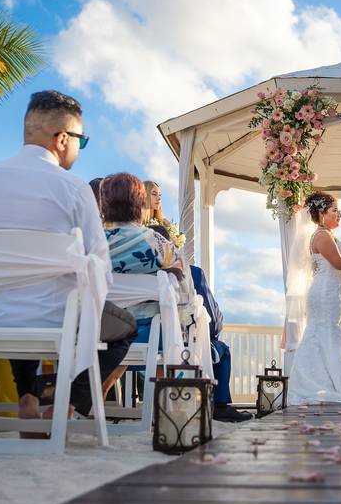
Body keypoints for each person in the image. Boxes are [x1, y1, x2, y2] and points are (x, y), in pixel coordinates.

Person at [0, 90, 133, 424]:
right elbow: (101, 270)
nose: (80, 146)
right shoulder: (73, 188)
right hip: (59, 322)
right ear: (63, 138)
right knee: (125, 327)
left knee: (19, 301)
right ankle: (67, 404)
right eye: (82, 139)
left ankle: (28, 397)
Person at [100, 173, 248, 421]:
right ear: (139, 204)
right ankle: (174, 411)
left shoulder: (93, 243)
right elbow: (186, 298)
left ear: (105, 204)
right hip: (152, 340)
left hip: (99, 335)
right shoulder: (159, 244)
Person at [288, 191, 341, 404]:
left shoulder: (330, 236)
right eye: (335, 210)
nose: (339, 215)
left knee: (332, 336)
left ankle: (331, 382)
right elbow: (338, 263)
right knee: (324, 334)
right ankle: (318, 384)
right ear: (321, 213)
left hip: (334, 296)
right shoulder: (321, 236)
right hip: (324, 294)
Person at [189, 264, 251, 422]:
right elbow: (212, 321)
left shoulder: (120, 270)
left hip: (130, 340)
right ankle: (220, 406)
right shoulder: (191, 273)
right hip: (183, 345)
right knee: (222, 350)